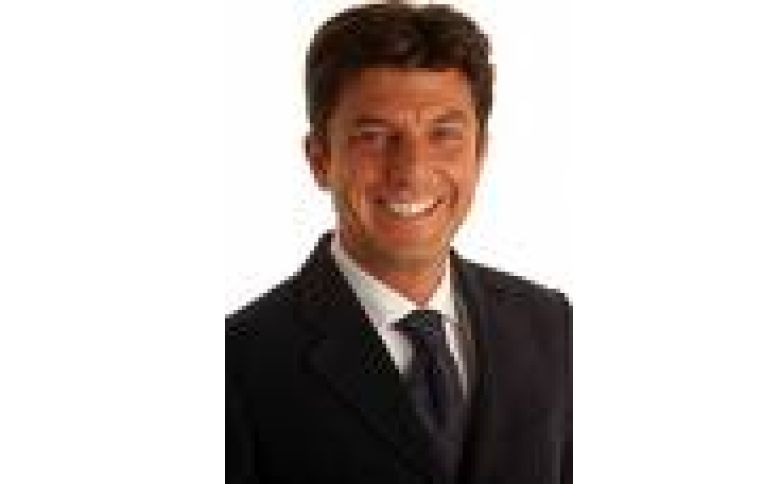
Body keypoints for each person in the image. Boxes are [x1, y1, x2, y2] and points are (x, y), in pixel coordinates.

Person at [226, 2, 571, 483]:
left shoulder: (552, 326)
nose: (410, 171)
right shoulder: (239, 365)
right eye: (373, 136)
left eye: (444, 134)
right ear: (320, 159)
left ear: (480, 154)